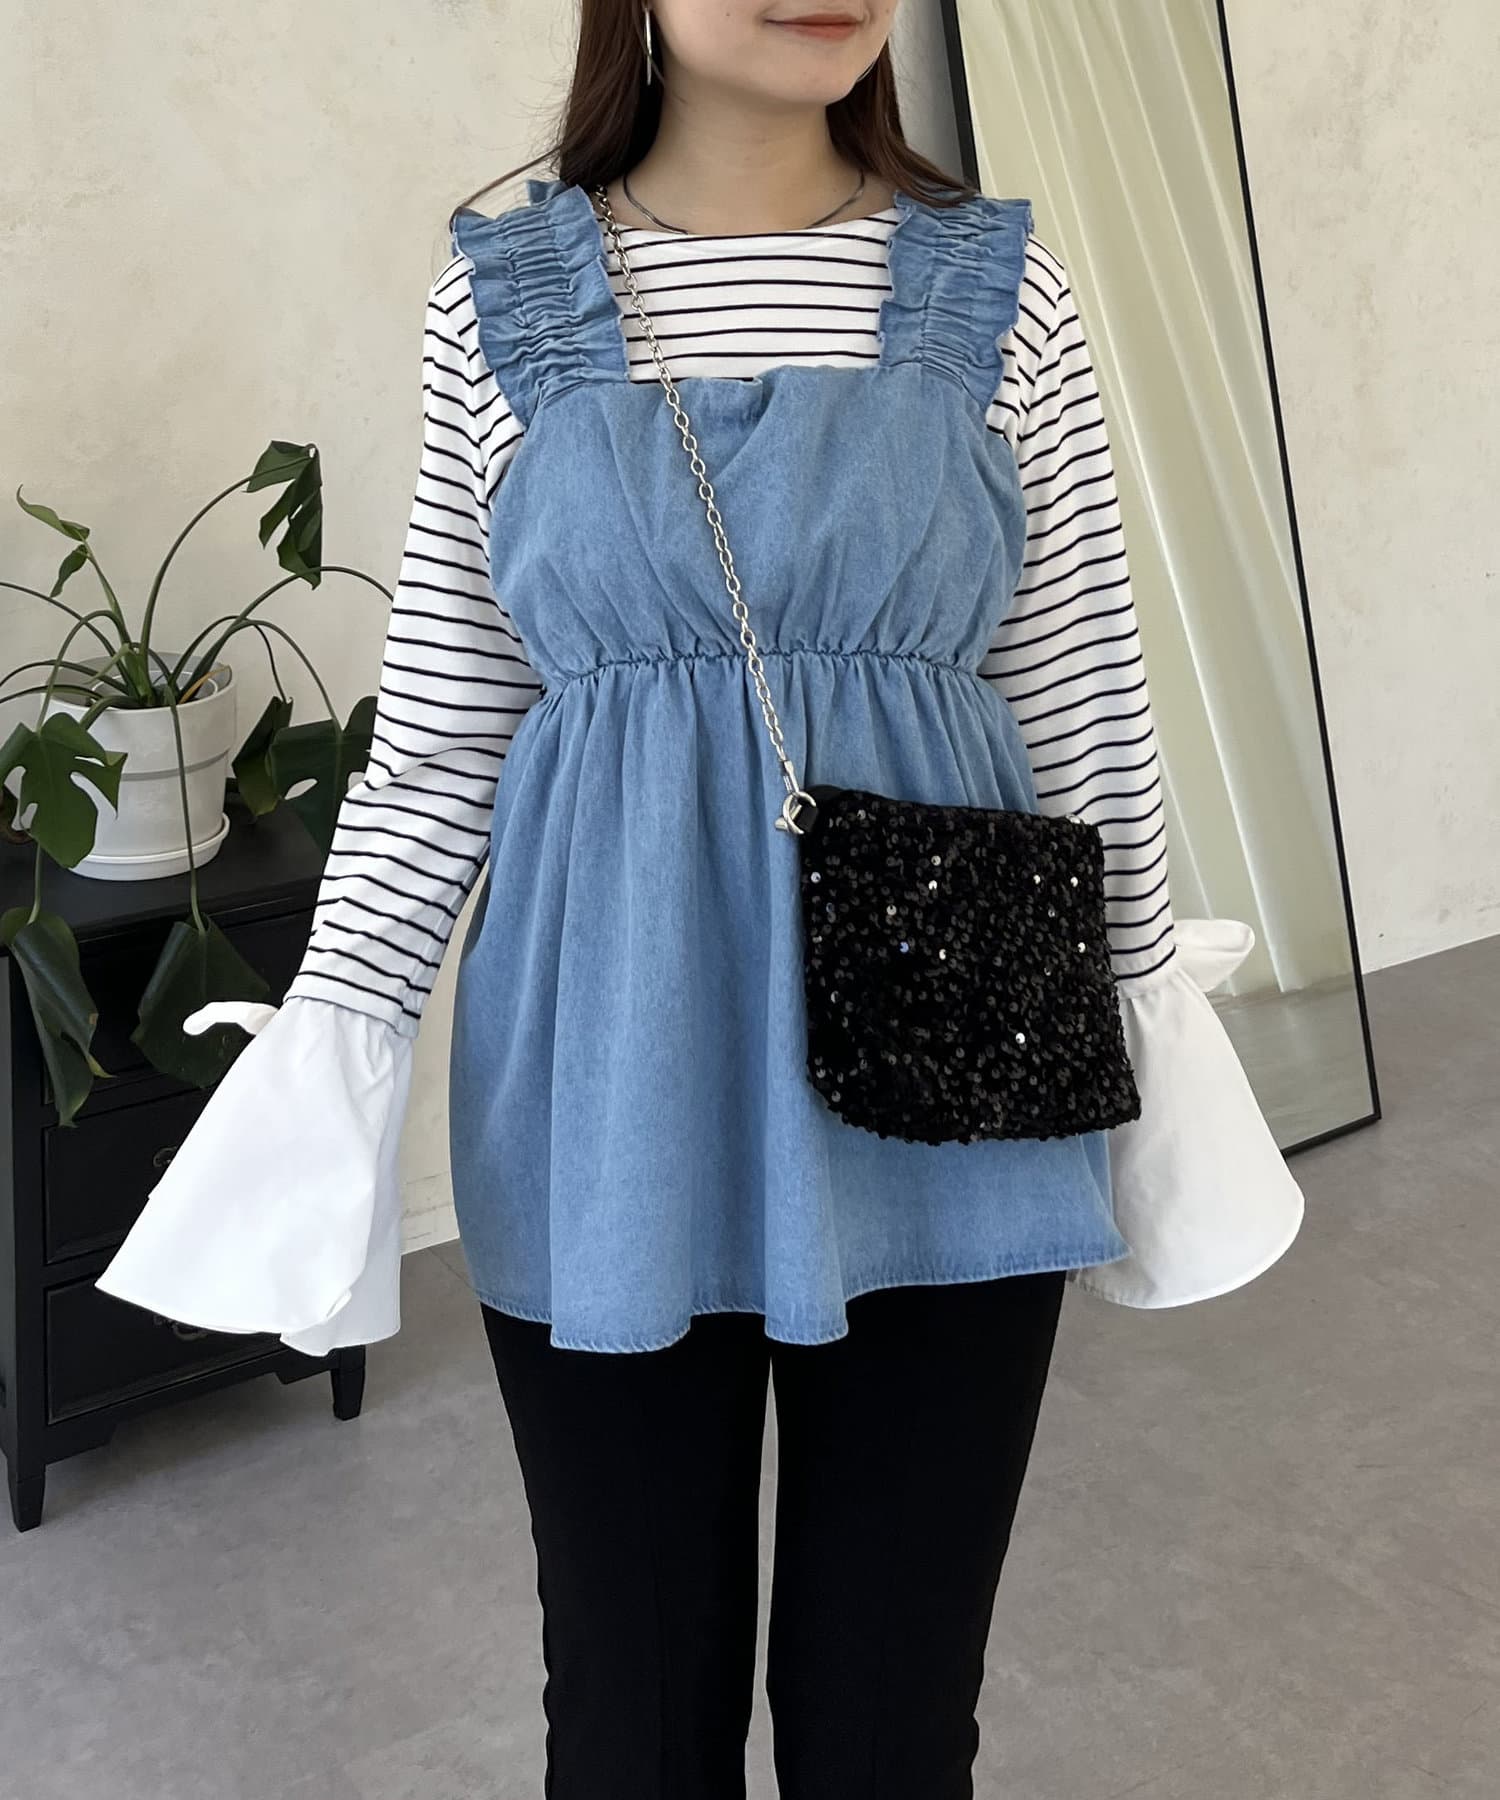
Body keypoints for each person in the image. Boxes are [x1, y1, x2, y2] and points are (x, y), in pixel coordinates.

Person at [97, 2, 1305, 1793]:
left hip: (958, 1063)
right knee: (634, 1720)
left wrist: (1147, 1057)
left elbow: (1081, 704)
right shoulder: (499, 306)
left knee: (893, 1722)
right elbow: (442, 732)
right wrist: (338, 1048)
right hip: (610, 1076)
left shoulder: (1003, 295)